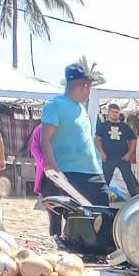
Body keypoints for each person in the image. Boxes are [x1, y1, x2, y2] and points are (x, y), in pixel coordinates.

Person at [39, 62, 107, 229]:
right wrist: (54, 169)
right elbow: (45, 139)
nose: (89, 93)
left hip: (93, 172)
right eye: (89, 88)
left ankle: (98, 253)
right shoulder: (55, 105)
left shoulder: (81, 108)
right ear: (84, 86)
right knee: (77, 219)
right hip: (71, 173)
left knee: (103, 214)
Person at [95, 102, 139, 195]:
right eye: (113, 112)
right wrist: (102, 153)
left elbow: (133, 140)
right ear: (108, 112)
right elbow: (98, 139)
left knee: (129, 180)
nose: (115, 114)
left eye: (116, 112)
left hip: (123, 158)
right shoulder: (103, 126)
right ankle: (103, 202)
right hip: (108, 158)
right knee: (105, 181)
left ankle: (135, 199)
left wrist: (129, 153)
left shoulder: (124, 126)